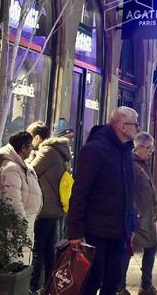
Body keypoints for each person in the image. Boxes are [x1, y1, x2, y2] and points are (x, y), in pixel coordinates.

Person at [67, 106, 140, 295]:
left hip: (118, 231)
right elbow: (80, 191)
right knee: (91, 281)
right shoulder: (96, 149)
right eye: (135, 124)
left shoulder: (125, 151)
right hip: (95, 231)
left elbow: (128, 191)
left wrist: (131, 224)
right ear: (122, 126)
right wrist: (75, 231)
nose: (138, 129)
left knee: (112, 281)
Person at [27, 122, 71, 292]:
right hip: (55, 209)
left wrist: (30, 156)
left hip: (45, 209)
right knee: (48, 250)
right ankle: (49, 287)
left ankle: (33, 287)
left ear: (37, 138)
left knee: (37, 249)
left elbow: (31, 171)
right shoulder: (58, 151)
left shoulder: (46, 152)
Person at [120, 132, 157, 295]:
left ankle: (145, 285)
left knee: (150, 247)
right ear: (139, 147)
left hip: (147, 217)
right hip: (137, 217)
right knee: (127, 251)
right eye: (149, 148)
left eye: (152, 148)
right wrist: (134, 213)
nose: (151, 152)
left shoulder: (143, 164)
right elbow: (128, 191)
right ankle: (121, 287)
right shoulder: (131, 164)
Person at [0, 131, 44, 266]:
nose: (32, 150)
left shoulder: (22, 165)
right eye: (30, 147)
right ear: (23, 148)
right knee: (17, 258)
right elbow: (12, 199)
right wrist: (21, 222)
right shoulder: (11, 168)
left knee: (23, 256)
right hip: (19, 222)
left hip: (26, 220)